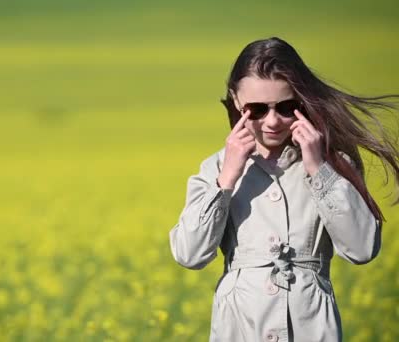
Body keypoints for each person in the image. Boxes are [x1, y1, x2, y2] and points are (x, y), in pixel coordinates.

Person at [168, 36, 399, 342]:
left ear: (301, 100)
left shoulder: (331, 164)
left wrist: (318, 170)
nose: (273, 121)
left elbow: (362, 249)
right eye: (257, 109)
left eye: (286, 107)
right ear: (236, 101)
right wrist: (227, 180)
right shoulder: (216, 168)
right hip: (239, 328)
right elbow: (189, 254)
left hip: (311, 328)